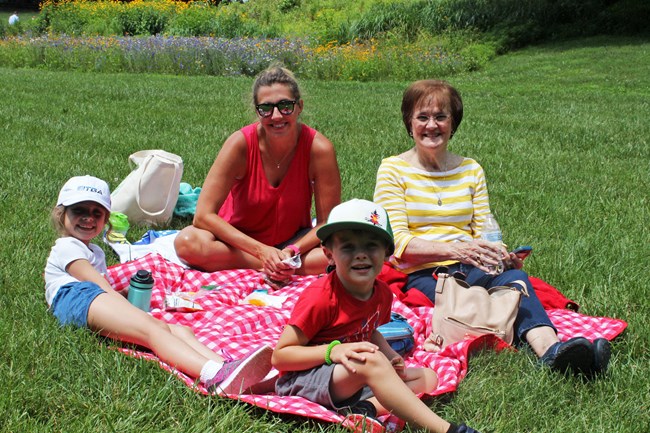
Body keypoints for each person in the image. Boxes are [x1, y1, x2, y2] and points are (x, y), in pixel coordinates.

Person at [373, 79, 611, 378]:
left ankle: (552, 351)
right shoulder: (393, 169)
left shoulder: (470, 169)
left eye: (440, 117)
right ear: (409, 123)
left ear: (453, 123)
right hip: (424, 272)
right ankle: (557, 355)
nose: (431, 125)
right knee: (479, 294)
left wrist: (498, 255)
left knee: (514, 278)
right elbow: (397, 242)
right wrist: (456, 249)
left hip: (471, 262)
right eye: (422, 117)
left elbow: (484, 228)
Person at [45, 175, 272, 395]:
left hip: (90, 297)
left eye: (97, 213)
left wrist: (121, 295)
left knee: (180, 330)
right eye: (79, 211)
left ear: (106, 219)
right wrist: (129, 307)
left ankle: (231, 368)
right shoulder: (67, 246)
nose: (88, 218)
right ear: (61, 214)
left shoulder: (93, 251)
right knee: (153, 330)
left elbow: (101, 291)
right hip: (74, 298)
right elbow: (95, 285)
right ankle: (214, 375)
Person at [272, 199, 481, 433]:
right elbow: (281, 357)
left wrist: (391, 355)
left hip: (353, 376)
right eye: (348, 247)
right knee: (370, 361)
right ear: (329, 254)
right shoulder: (321, 297)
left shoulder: (381, 293)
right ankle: (448, 430)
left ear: (387, 255)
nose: (360, 255)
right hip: (306, 379)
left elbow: (369, 331)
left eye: (371, 246)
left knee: (427, 377)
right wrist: (333, 351)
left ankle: (364, 410)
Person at [174, 65, 341, 284]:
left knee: (343, 252)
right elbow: (203, 215)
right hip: (238, 244)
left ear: (299, 107)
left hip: (293, 246)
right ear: (257, 111)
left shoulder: (319, 149)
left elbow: (327, 223)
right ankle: (277, 269)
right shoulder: (239, 144)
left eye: (285, 106)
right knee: (187, 242)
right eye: (266, 109)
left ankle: (280, 267)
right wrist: (263, 253)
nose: (276, 115)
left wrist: (290, 251)